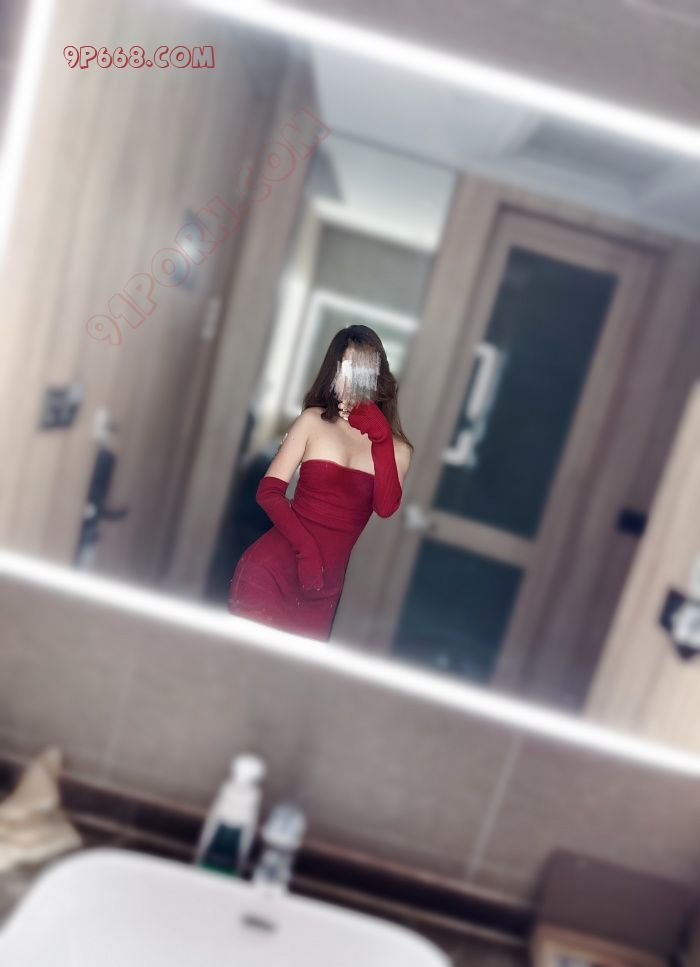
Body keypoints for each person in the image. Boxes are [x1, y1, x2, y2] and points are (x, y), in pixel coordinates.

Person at [228, 325, 413, 641]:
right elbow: (268, 492)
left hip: (323, 593)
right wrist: (307, 553)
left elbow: (385, 508)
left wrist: (381, 439)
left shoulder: (397, 449)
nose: (352, 381)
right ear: (333, 375)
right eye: (346, 370)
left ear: (378, 378)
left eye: (363, 371)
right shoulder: (312, 422)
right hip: (270, 573)